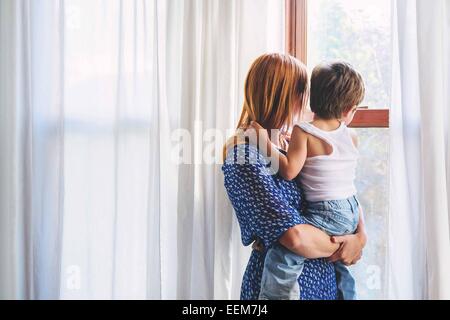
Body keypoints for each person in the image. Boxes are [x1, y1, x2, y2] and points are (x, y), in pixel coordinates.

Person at [222, 54, 367, 300]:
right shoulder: (243, 157)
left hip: (322, 282)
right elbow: (294, 237)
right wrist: (346, 245)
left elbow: (339, 189)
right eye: (302, 91)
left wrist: (360, 236)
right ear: (283, 95)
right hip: (284, 286)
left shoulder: (291, 143)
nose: (308, 100)